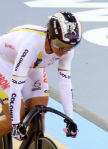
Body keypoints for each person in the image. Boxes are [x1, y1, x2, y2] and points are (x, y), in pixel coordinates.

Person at [0, 11, 81, 140]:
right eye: (60, 45)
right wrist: (16, 125)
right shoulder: (31, 46)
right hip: (4, 63)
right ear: (49, 36)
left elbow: (65, 83)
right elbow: (15, 88)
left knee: (39, 112)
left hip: (31, 65)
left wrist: (70, 118)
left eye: (68, 47)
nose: (63, 51)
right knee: (14, 119)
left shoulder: (67, 48)